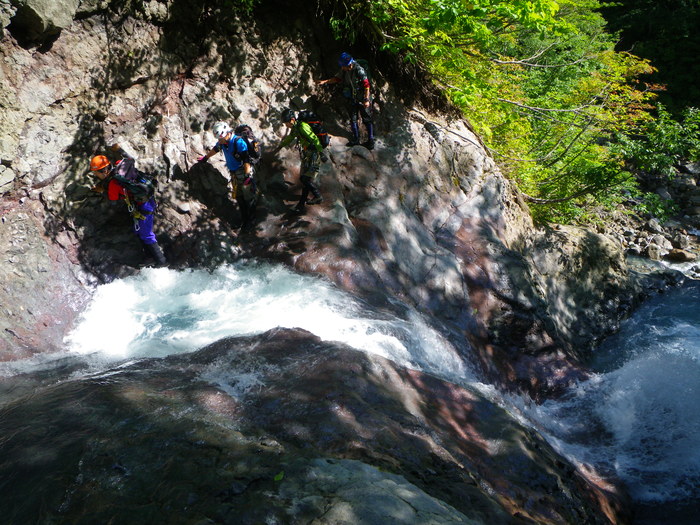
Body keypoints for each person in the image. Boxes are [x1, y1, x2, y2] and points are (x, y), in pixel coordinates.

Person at [89, 144, 166, 266]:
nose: (95, 176)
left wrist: (102, 190)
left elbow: (113, 199)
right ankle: (150, 257)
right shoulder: (120, 166)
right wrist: (118, 149)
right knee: (140, 232)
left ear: (102, 171)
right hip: (146, 200)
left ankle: (161, 262)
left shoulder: (114, 183)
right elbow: (129, 158)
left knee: (146, 234)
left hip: (144, 206)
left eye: (95, 173)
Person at [198, 121, 258, 228]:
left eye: (221, 138)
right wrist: (206, 158)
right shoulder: (223, 142)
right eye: (219, 139)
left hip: (243, 171)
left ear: (227, 133)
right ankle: (245, 220)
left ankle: (252, 221)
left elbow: (246, 159)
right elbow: (216, 149)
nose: (219, 141)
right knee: (239, 197)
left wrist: (247, 176)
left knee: (249, 198)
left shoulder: (238, 142)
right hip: (234, 173)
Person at [317, 52, 375, 150]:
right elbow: (337, 79)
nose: (342, 68)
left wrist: (366, 100)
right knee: (353, 118)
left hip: (362, 98)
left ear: (349, 64)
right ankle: (356, 139)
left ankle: (371, 141)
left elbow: (367, 85)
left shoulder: (359, 70)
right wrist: (325, 81)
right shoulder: (344, 70)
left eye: (343, 66)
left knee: (367, 119)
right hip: (352, 98)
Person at [279, 108, 328, 212]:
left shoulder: (302, 126)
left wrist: (321, 152)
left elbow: (314, 138)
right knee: (305, 179)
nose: (286, 125)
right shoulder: (296, 128)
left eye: (286, 122)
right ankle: (301, 203)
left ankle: (318, 196)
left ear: (292, 120)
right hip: (307, 154)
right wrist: (280, 145)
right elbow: (291, 137)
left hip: (314, 154)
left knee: (305, 179)